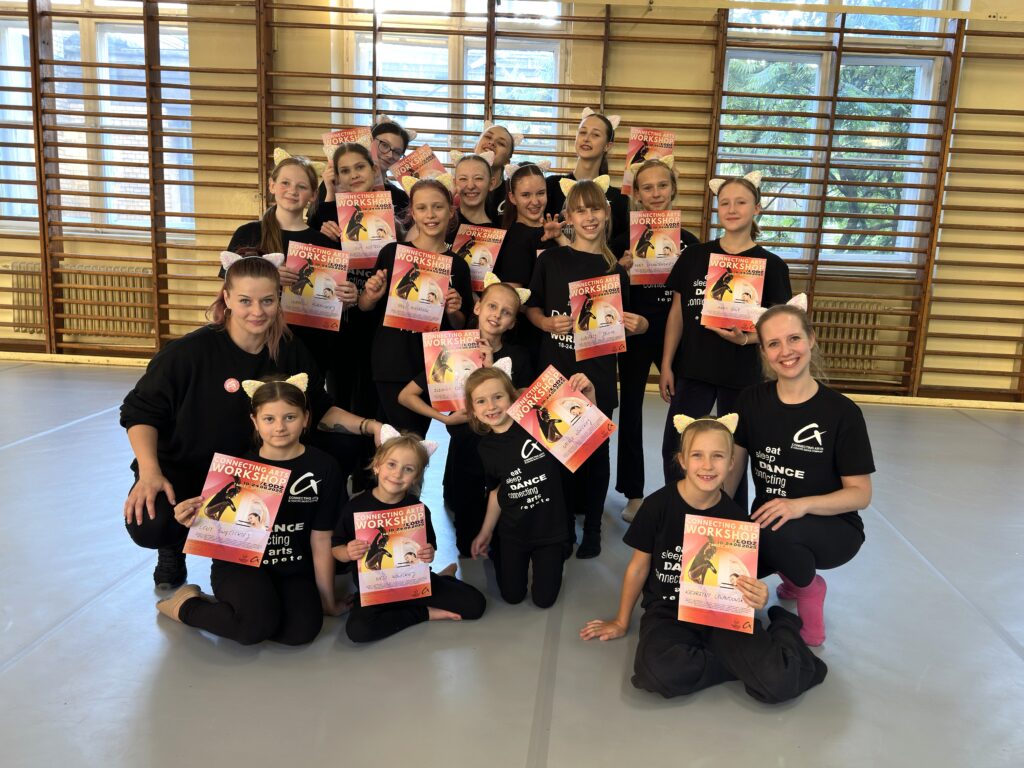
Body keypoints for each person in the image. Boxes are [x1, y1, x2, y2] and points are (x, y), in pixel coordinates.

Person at [121, 255, 382, 589]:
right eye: (245, 301)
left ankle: (309, 538)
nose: (257, 311)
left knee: (345, 444)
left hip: (256, 474)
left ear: (278, 299)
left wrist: (371, 426)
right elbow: (139, 413)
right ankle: (173, 547)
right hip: (189, 469)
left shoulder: (289, 350)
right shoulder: (187, 354)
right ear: (227, 298)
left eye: (267, 301)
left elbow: (319, 407)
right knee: (151, 524)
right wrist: (149, 472)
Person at [580, 415, 827, 704]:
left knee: (779, 683)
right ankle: (738, 665)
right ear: (682, 460)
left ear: (731, 463)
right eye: (697, 455)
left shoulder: (736, 519)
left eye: (717, 456)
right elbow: (638, 567)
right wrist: (622, 620)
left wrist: (757, 595)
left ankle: (784, 626)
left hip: (721, 612)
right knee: (655, 674)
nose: (707, 465)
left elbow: (740, 580)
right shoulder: (657, 506)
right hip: (668, 610)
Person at [154, 377, 345, 645]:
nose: (279, 427)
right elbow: (215, 521)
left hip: (292, 565)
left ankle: (246, 610)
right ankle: (186, 605)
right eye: (269, 419)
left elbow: (321, 538)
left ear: (306, 418)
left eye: (290, 417)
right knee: (253, 628)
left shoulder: (324, 467)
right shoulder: (237, 468)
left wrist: (328, 601)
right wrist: (191, 518)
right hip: (240, 565)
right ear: (255, 421)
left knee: (301, 632)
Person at [728, 298, 874, 646]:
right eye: (773, 343)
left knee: (779, 529)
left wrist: (800, 505)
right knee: (719, 574)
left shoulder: (842, 412)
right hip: (770, 522)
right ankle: (793, 576)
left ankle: (809, 588)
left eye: (794, 338)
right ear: (763, 352)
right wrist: (720, 526)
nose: (786, 351)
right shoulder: (750, 401)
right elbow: (733, 469)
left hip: (833, 528)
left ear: (811, 338)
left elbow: (861, 494)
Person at [525, 178, 648, 558]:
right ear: (569, 217)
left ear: (607, 214)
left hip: (597, 375)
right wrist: (545, 323)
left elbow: (623, 326)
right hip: (556, 371)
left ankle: (592, 528)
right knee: (556, 455)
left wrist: (638, 324)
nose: (589, 217)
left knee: (596, 457)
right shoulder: (550, 260)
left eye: (595, 209)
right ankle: (563, 529)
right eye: (580, 210)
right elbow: (531, 306)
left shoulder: (616, 271)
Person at [659, 172, 792, 507]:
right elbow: (676, 315)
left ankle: (729, 519)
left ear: (757, 208)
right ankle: (677, 515)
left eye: (741, 202)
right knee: (677, 446)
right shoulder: (694, 256)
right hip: (693, 369)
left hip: (743, 374)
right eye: (725, 202)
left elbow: (777, 328)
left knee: (734, 455)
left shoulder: (772, 266)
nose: (732, 209)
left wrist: (746, 339)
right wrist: (666, 365)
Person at [397, 280, 532, 556]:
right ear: (478, 307)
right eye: (492, 306)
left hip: (504, 449)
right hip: (466, 445)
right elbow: (406, 396)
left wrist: (491, 366)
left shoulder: (518, 355)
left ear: (513, 323)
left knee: (503, 518)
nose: (497, 315)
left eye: (506, 312)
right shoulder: (452, 349)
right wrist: (444, 419)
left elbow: (526, 401)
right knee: (466, 527)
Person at [332, 432, 487, 642]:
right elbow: (336, 548)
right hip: (376, 590)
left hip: (414, 584)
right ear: (377, 466)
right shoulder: (355, 508)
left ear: (416, 477)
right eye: (391, 464)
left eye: (408, 469)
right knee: (358, 631)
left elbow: (429, 548)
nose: (397, 474)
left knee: (475, 605)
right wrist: (348, 552)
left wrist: (428, 553)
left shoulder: (417, 509)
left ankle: (443, 579)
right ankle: (423, 613)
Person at [612, 159, 701, 523]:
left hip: (677, 335)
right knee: (631, 410)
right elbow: (604, 296)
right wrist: (620, 270)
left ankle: (683, 487)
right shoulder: (622, 242)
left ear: (673, 189)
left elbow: (696, 298)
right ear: (636, 193)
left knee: (685, 411)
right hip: (635, 334)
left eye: (662, 185)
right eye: (647, 187)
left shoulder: (691, 243)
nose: (655, 193)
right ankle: (633, 493)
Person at [357, 178, 473, 436]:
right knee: (403, 440)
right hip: (391, 361)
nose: (430, 215)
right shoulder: (392, 253)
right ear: (412, 212)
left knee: (408, 440)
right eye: (422, 208)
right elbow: (364, 307)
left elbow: (461, 324)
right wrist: (371, 295)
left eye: (438, 207)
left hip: (430, 369)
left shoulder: (458, 265)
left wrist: (454, 310)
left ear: (451, 212)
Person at [467, 367, 583, 607]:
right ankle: (502, 557)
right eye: (481, 401)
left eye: (498, 396)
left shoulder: (537, 424)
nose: (491, 406)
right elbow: (497, 491)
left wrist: (587, 394)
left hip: (550, 530)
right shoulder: (484, 449)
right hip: (513, 532)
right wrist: (486, 532)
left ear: (512, 397)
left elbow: (587, 430)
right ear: (473, 411)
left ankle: (553, 560)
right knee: (512, 596)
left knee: (544, 600)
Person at [544, 109, 629, 242]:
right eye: (582, 132)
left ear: (607, 146)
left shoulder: (619, 200)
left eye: (595, 135)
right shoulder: (551, 186)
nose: (586, 138)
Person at [452, 152, 501, 228]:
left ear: (491, 184)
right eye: (463, 179)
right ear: (455, 183)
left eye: (478, 178)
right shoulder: (443, 224)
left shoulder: (496, 233)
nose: (470, 186)